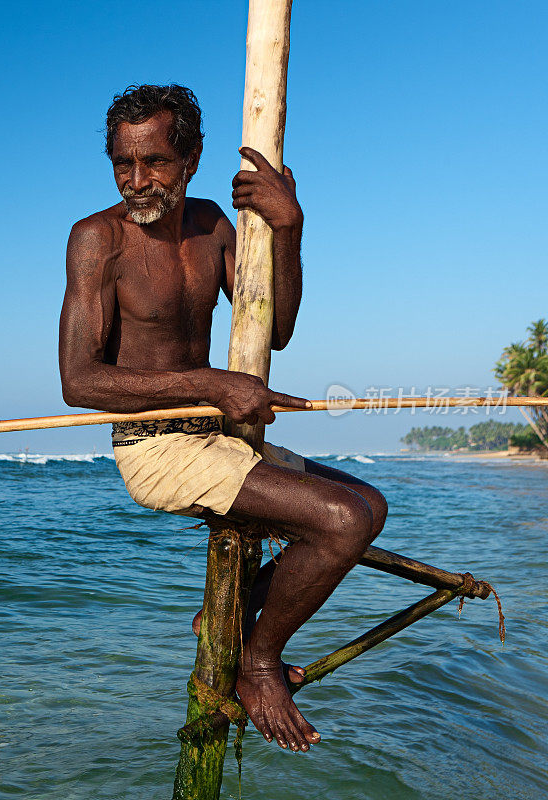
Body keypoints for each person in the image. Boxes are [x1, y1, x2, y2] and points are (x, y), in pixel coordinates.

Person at [59, 84, 388, 753]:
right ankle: (257, 664)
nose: (136, 180)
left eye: (153, 161)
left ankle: (224, 617)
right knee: (340, 521)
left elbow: (277, 328)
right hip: (157, 449)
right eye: (123, 164)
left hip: (222, 436)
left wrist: (289, 228)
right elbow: (79, 381)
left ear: (192, 158)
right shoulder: (97, 239)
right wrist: (211, 383)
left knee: (367, 504)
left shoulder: (212, 224)